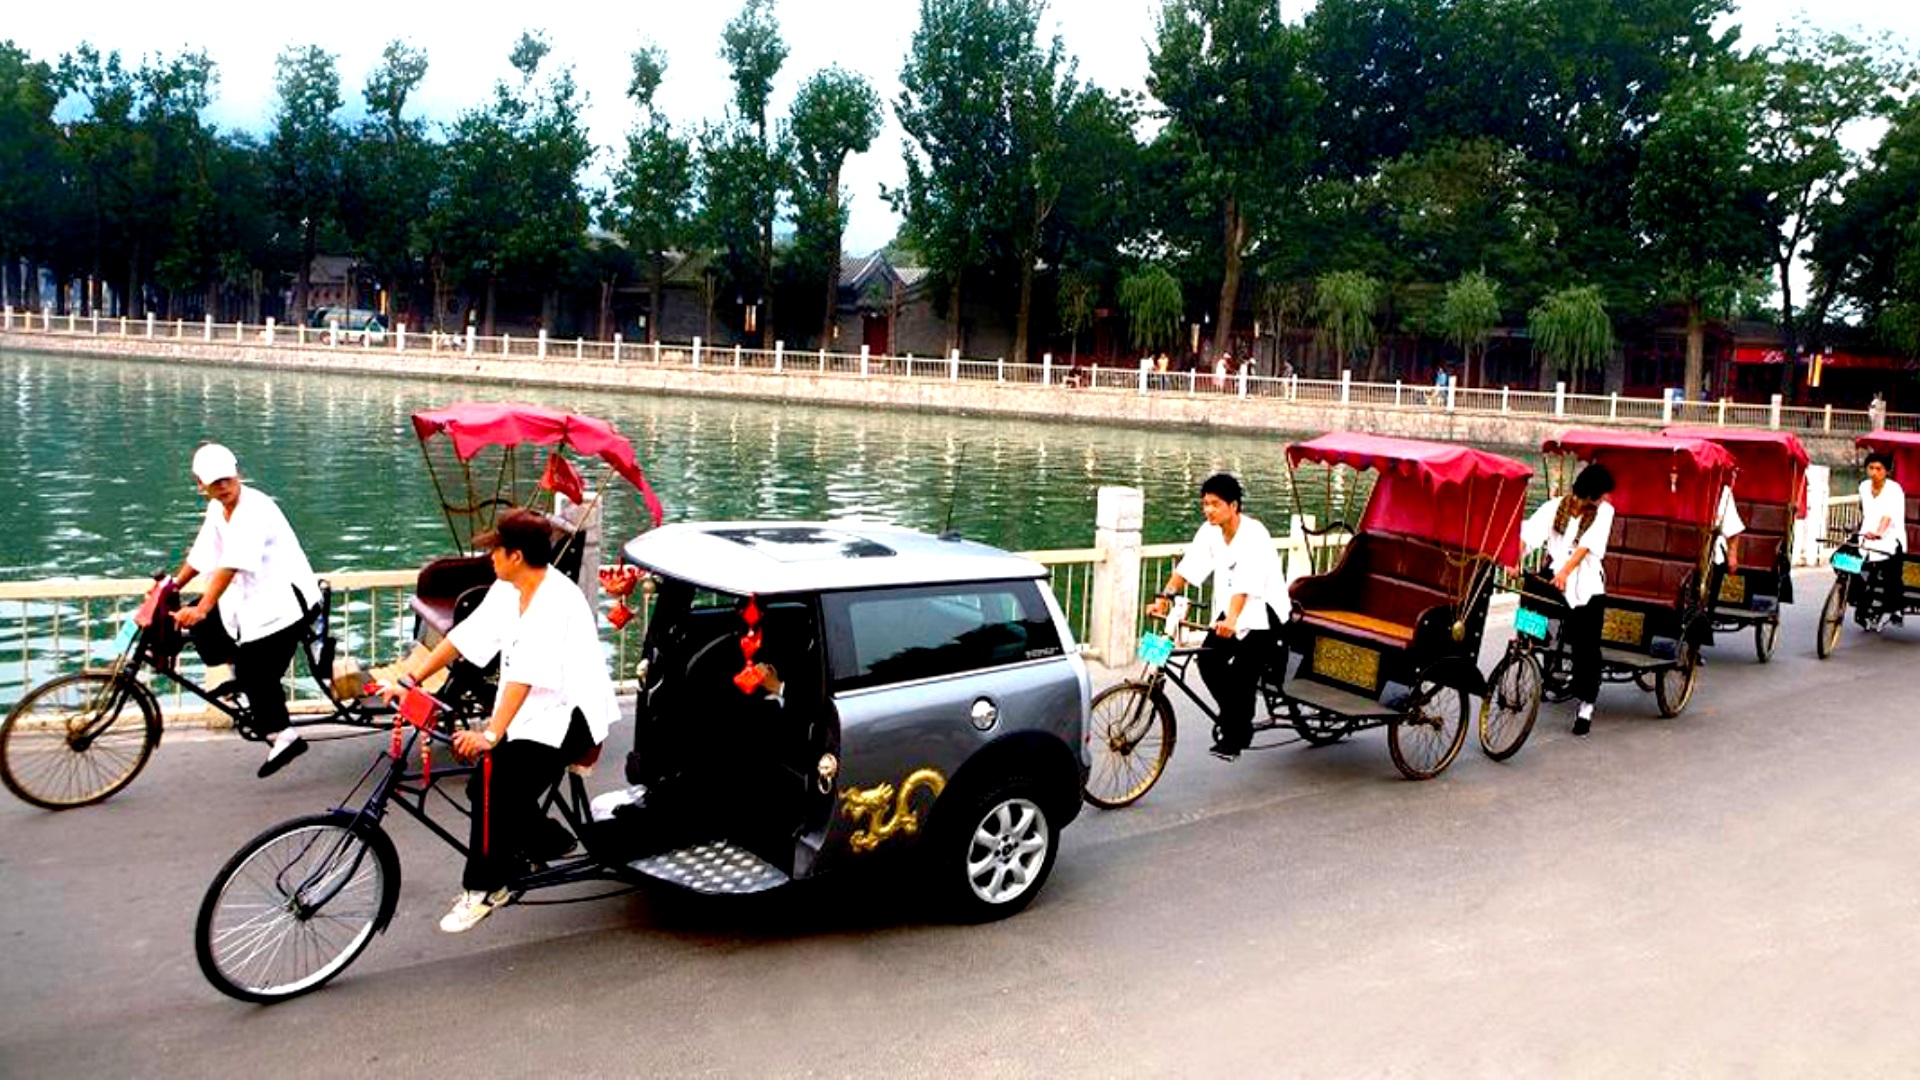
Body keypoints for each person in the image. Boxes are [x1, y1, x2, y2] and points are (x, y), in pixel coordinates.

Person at [379, 509, 617, 933]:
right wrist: (411, 680)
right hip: (532, 709)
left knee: (493, 785)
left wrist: (489, 734)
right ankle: (549, 840)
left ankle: (485, 888)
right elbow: (463, 637)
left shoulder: (554, 601)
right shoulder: (509, 589)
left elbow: (526, 676)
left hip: (572, 715)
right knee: (482, 786)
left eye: (496, 550)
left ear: (516, 555)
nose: (489, 556)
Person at [170, 444, 321, 777]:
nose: (223, 486)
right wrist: (172, 586)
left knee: (256, 670)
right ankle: (243, 676)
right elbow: (203, 554)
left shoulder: (254, 508)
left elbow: (231, 564)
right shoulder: (217, 509)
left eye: (227, 478)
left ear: (238, 473)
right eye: (215, 482)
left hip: (286, 605)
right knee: (204, 626)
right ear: (201, 484)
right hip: (254, 601)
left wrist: (204, 606)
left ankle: (284, 736)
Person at [1147, 473, 1288, 760]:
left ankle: (1237, 735)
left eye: (1215, 504)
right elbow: (1188, 567)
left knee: (1242, 674)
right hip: (1232, 611)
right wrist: (1164, 597)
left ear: (1233, 506)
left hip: (1264, 612)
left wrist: (1232, 620)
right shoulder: (1210, 532)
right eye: (1205, 504)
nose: (1208, 510)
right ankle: (1235, 716)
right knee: (1208, 661)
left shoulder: (1254, 534)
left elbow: (1246, 584)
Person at [1519, 463, 1617, 736]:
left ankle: (1586, 706)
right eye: (1603, 493)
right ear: (1591, 493)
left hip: (1586, 585)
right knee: (1529, 594)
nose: (1605, 498)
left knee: (1586, 647)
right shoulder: (1555, 507)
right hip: (1555, 576)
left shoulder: (1604, 512)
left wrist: (1565, 572)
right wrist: (1515, 559)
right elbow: (1530, 535)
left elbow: (1587, 546)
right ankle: (1533, 642)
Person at [1857, 452, 1907, 627]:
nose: (1874, 472)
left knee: (1890, 571)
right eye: (1871, 468)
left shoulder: (1894, 489)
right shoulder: (1863, 487)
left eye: (1878, 469)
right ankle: (1854, 598)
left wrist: (1879, 532)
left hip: (1890, 537)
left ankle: (1895, 608)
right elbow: (1864, 511)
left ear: (1886, 471)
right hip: (1866, 535)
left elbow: (1888, 515)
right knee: (1845, 561)